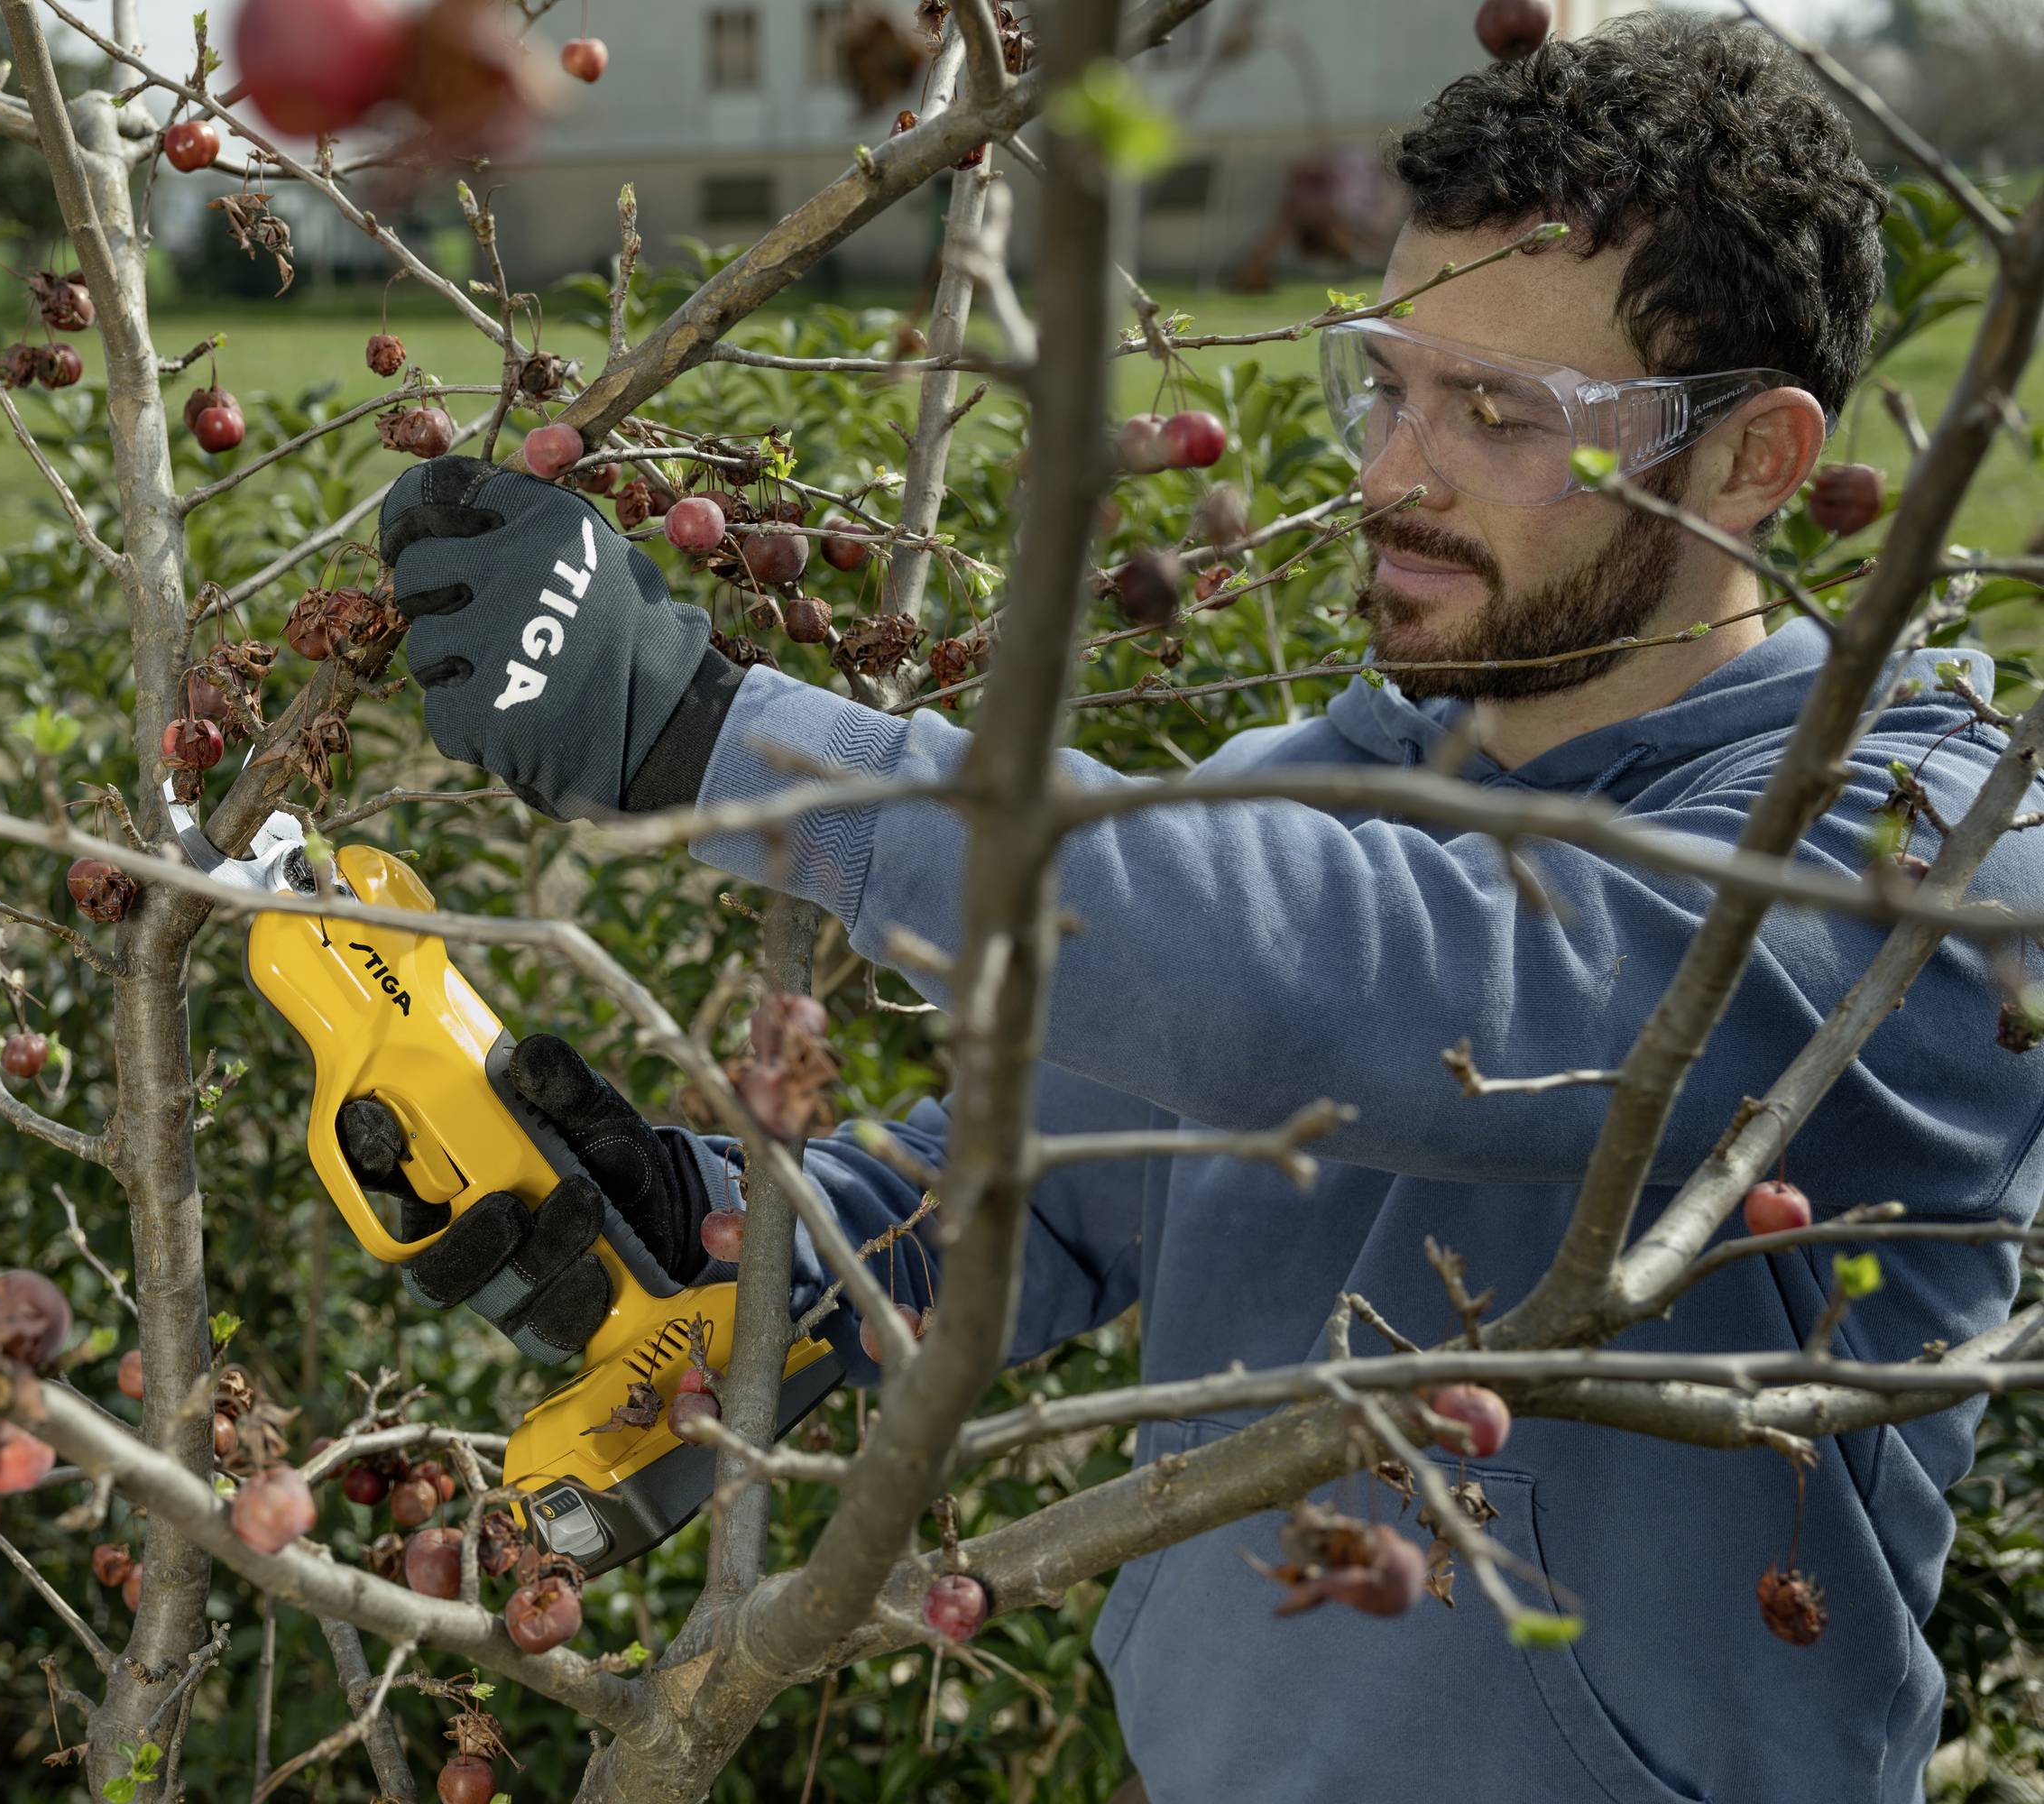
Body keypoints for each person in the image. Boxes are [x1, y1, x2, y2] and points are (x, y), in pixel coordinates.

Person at [360, 14, 2044, 1800]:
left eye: (1500, 415)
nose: (1391, 475)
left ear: (1752, 459)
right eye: (1386, 383)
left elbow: (1442, 998)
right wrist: (708, 1238)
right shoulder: (1320, 780)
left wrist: (727, 741)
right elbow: (1035, 1188)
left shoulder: (1928, 861)